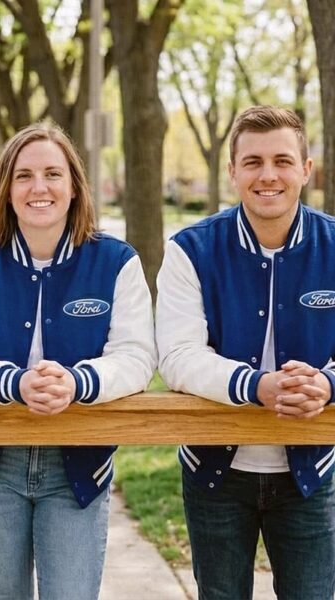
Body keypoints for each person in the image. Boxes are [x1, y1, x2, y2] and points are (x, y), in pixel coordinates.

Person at [0, 122, 156, 600]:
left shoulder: (116, 261)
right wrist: (15, 384)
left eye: (53, 173)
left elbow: (136, 356)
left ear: (74, 186)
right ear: (5, 189)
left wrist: (77, 382)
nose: (39, 187)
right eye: (24, 175)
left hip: (78, 462)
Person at [157, 105, 335, 599]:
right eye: (252, 162)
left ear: (305, 169)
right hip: (215, 472)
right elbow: (177, 355)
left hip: (312, 471)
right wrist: (257, 385)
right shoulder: (190, 249)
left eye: (282, 160)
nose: (268, 175)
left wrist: (327, 383)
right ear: (232, 172)